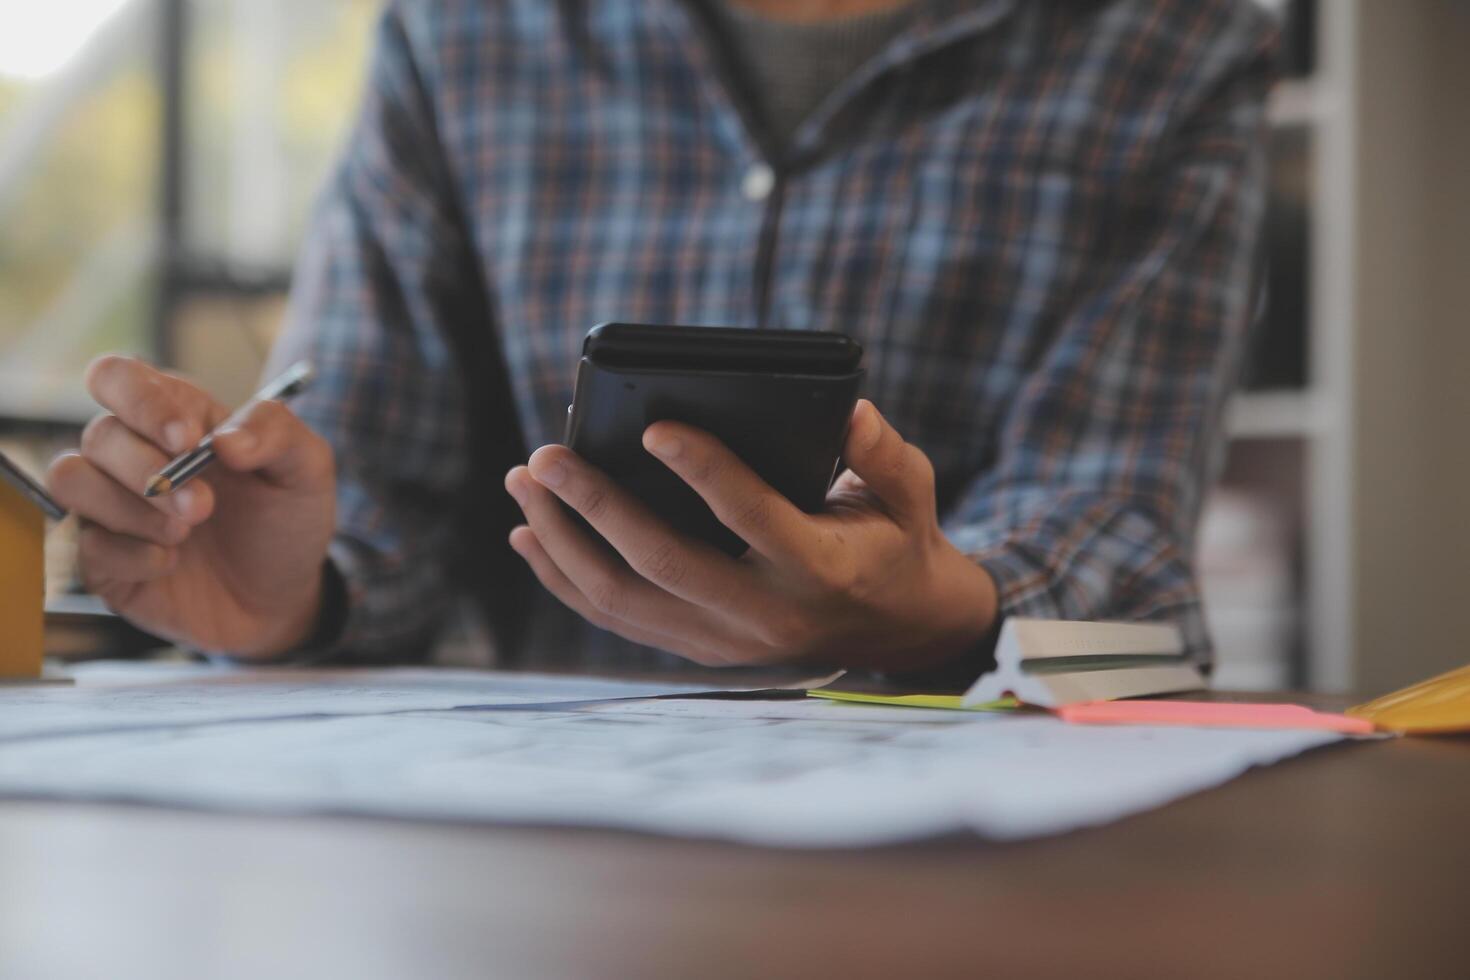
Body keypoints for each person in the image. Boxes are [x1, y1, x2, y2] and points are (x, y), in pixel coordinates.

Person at [46, 0, 1278, 677]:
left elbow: (1113, 517)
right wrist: (284, 598)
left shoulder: (1172, 44)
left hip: (976, 853)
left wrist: (934, 603)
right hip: (533, 861)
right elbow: (374, 488)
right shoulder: (454, 31)